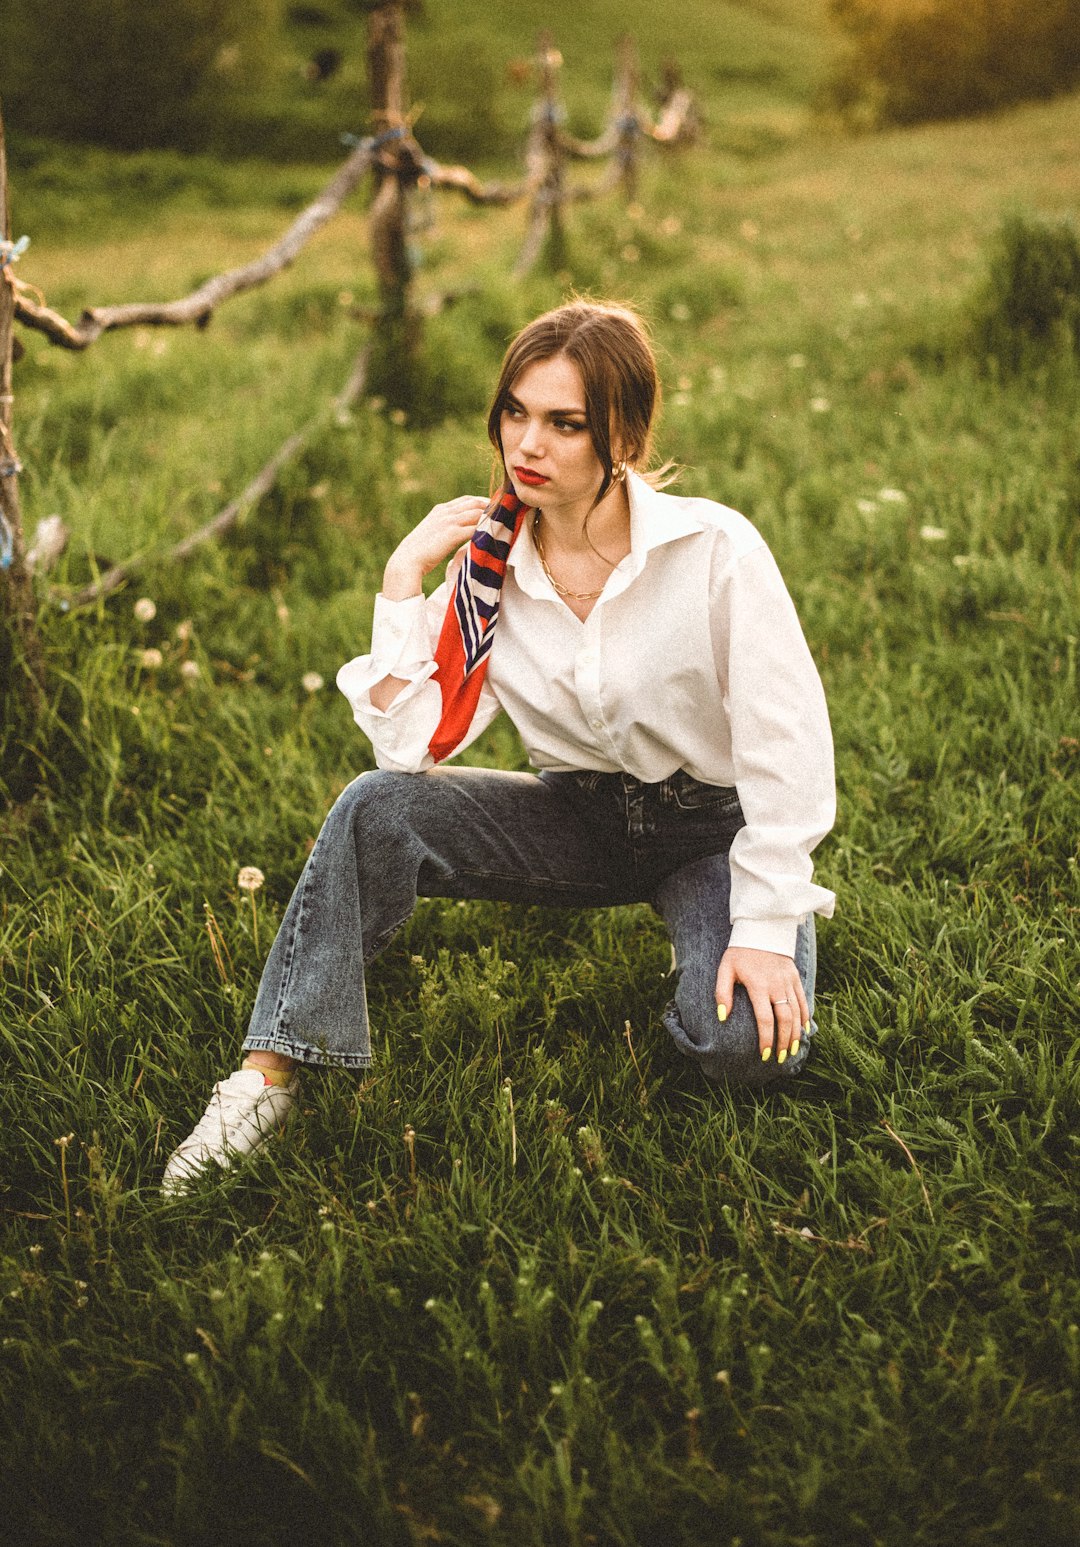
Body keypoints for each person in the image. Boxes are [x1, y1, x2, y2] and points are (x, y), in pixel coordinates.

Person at [162, 300, 835, 1193]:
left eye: (565, 423)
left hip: (711, 826)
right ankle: (265, 1077)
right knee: (376, 806)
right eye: (516, 412)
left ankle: (703, 948)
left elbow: (787, 741)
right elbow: (408, 744)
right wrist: (405, 580)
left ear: (621, 434)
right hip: (577, 818)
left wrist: (762, 923)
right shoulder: (490, 568)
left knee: (747, 1049)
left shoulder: (714, 551)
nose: (529, 443)